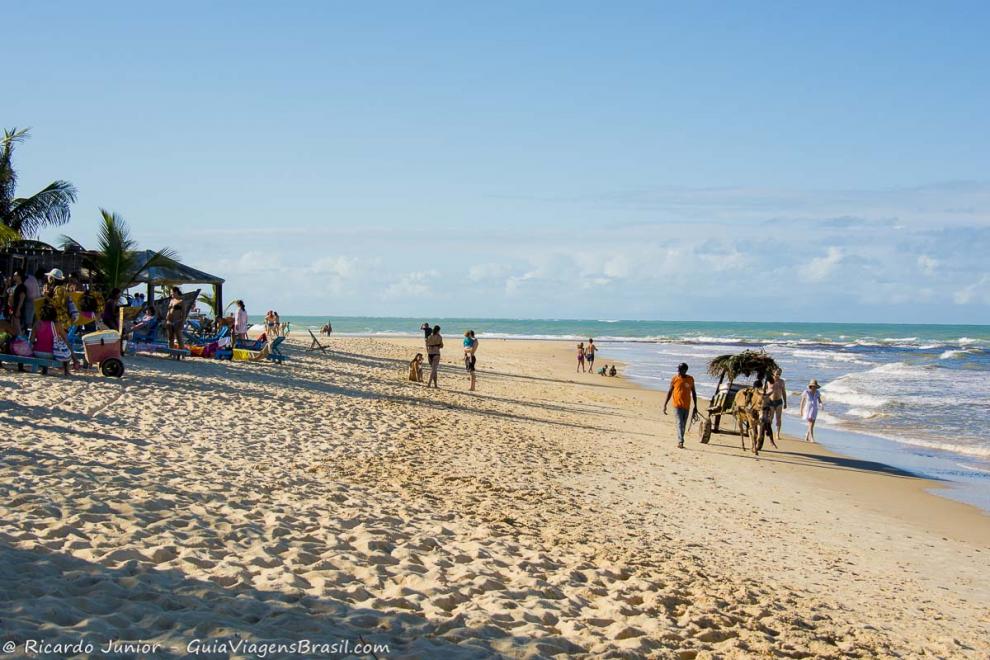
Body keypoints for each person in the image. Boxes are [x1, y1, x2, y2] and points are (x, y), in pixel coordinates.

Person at [663, 362, 698, 449]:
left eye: (680, 369)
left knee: (683, 425)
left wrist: (696, 406)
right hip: (677, 405)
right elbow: (670, 392)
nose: (678, 371)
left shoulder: (690, 379)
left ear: (685, 370)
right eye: (678, 369)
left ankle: (681, 439)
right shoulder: (675, 379)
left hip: (687, 406)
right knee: (679, 423)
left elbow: (694, 393)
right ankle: (681, 441)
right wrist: (665, 404)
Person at [764, 368, 787, 440]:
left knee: (778, 418)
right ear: (773, 373)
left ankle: (777, 434)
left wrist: (785, 402)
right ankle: (769, 432)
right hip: (770, 401)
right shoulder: (769, 381)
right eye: (777, 373)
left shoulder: (782, 381)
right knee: (770, 418)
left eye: (779, 374)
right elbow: (764, 391)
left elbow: (783, 392)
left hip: (779, 401)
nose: (778, 375)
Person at [7, 271, 26, 337]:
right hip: (13, 309)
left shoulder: (22, 287)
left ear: (19, 276)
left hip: (17, 309)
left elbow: (22, 299)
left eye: (15, 275)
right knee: (13, 327)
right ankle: (15, 342)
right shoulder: (15, 286)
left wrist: (18, 310)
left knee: (17, 327)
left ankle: (22, 343)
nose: (13, 276)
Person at [22, 269, 40, 335]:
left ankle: (29, 335)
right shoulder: (33, 279)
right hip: (35, 302)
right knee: (32, 321)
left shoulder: (29, 279)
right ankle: (31, 334)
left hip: (30, 302)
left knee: (29, 321)